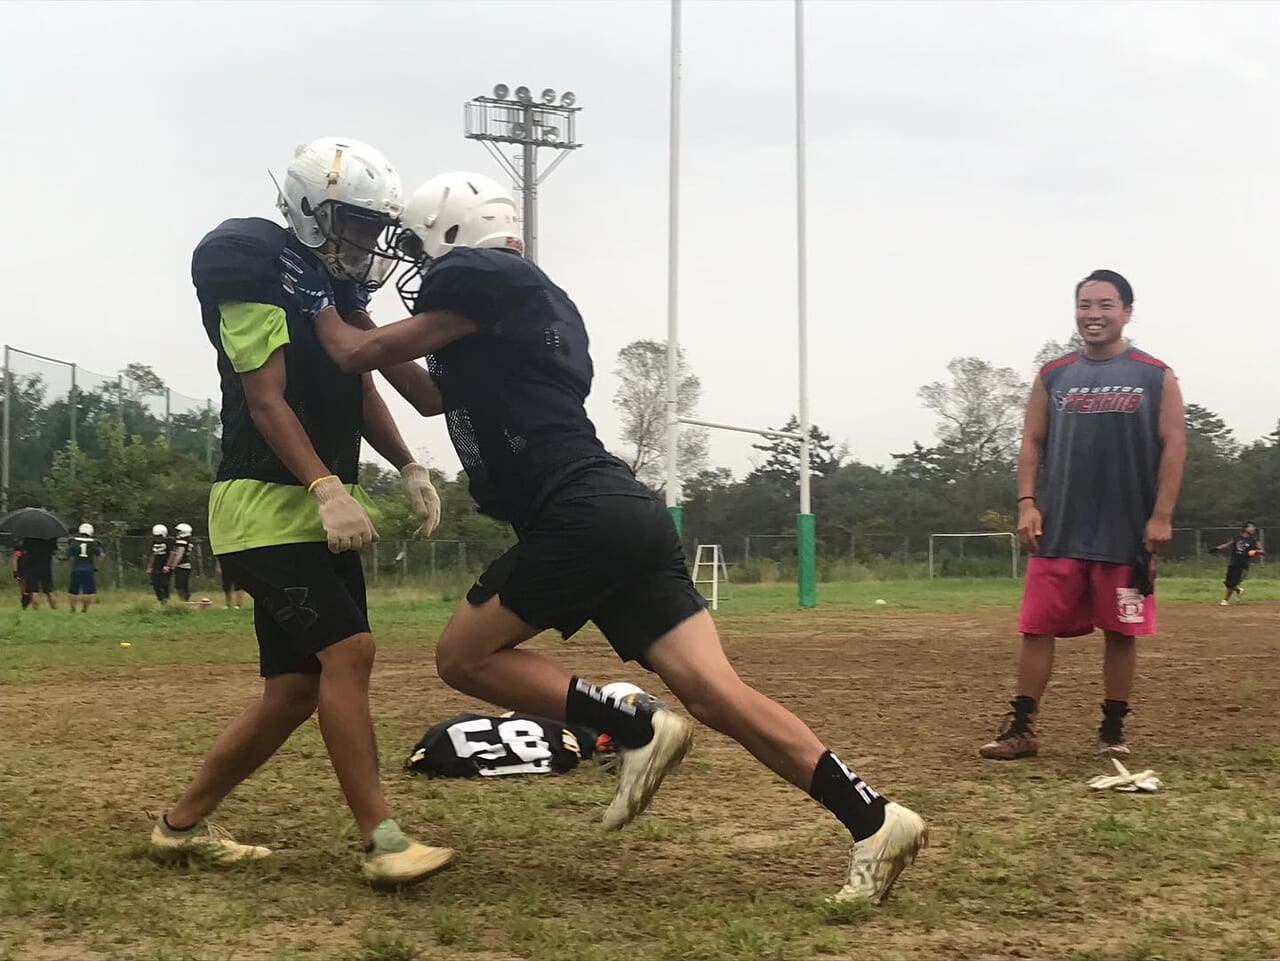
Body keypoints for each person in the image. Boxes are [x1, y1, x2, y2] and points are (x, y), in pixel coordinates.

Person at [309, 172, 927, 904]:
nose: (416, 266)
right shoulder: (511, 311)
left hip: (579, 512)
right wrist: (360, 324)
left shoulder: (491, 278)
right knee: (717, 694)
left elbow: (354, 354)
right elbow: (426, 393)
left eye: (420, 246)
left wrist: (319, 293)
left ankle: (628, 723)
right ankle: (875, 818)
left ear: (456, 235)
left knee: (462, 656)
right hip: (623, 511)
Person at [151, 136, 450, 888]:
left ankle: (180, 826)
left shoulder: (330, 290)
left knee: (292, 691)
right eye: (358, 223)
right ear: (313, 211)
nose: (369, 241)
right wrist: (324, 485)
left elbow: (362, 386)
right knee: (349, 653)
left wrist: (408, 463)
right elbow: (265, 399)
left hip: (313, 505)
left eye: (376, 227)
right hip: (263, 505)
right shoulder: (256, 266)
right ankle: (382, 840)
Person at [979, 269, 1186, 762]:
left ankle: (1112, 731)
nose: (1093, 315)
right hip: (1059, 529)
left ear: (1127, 312)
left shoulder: (1155, 374)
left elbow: (1174, 446)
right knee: (1036, 629)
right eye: (1085, 305)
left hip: (1126, 534)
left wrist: (1161, 515)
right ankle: (1022, 729)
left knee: (1121, 632)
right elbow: (1032, 442)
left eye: (1105, 305)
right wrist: (1027, 503)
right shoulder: (1054, 375)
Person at [1211, 523, 1264, 605]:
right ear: (1245, 528)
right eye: (1251, 527)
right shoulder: (1237, 538)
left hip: (1243, 564)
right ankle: (1235, 592)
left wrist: (1255, 552)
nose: (1253, 528)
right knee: (1229, 582)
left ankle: (1226, 599)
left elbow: (1262, 551)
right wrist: (1216, 548)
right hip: (1233, 562)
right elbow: (1227, 545)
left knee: (1234, 582)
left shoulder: (1254, 540)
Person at [66, 523, 104, 613]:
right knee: (88, 591)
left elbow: (68, 556)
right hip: (89, 569)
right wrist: (98, 565)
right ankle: (84, 610)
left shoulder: (74, 542)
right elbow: (101, 555)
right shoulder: (93, 543)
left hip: (76, 569)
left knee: (73, 591)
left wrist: (71, 564)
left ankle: (73, 609)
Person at [19, 537, 57, 610]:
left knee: (34, 590)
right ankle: (54, 609)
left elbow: (24, 550)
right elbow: (54, 551)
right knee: (49, 590)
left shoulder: (29, 538)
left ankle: (36, 610)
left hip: (32, 567)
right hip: (46, 567)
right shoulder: (50, 538)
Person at [168, 522, 195, 602]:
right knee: (184, 585)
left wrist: (173, 565)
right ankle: (185, 600)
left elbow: (179, 554)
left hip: (182, 565)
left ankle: (184, 601)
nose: (177, 533)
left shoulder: (182, 542)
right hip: (187, 565)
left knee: (180, 585)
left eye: (179, 531)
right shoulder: (188, 541)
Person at [147, 524, 174, 604]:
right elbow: (153, 555)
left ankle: (166, 599)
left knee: (165, 583)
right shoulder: (153, 542)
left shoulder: (169, 542)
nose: (157, 538)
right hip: (156, 566)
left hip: (165, 565)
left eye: (159, 536)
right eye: (156, 536)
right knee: (155, 584)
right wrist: (149, 567)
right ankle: (161, 599)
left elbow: (172, 554)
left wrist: (167, 565)